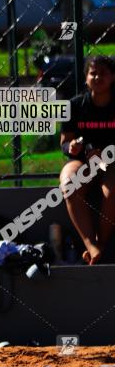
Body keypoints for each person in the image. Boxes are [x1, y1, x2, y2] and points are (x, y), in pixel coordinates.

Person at [60, 56, 115, 265]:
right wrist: (72, 147)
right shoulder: (75, 105)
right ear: (85, 78)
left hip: (112, 163)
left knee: (112, 192)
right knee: (69, 185)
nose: (97, 77)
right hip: (83, 161)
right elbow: (65, 143)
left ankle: (101, 244)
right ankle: (90, 245)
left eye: (103, 73)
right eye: (93, 73)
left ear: (113, 77)